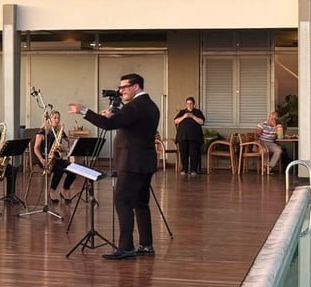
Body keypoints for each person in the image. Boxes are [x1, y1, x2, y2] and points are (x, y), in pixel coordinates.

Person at [69, 73, 160, 260]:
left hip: (131, 162)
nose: (121, 91)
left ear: (136, 87)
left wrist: (84, 111)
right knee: (141, 204)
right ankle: (146, 244)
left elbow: (109, 125)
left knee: (123, 203)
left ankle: (126, 247)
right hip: (145, 162)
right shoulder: (150, 105)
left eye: (124, 87)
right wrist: (115, 114)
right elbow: (129, 123)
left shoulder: (135, 106)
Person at [33, 110, 74, 205]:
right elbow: (36, 148)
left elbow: (67, 145)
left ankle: (64, 190)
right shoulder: (42, 131)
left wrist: (64, 148)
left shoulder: (59, 132)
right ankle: (52, 191)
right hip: (44, 159)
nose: (57, 120)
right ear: (49, 119)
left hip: (56, 158)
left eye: (58, 118)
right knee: (60, 168)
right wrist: (41, 159)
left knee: (72, 168)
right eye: (54, 118)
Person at [174, 97, 205, 175]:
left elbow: (201, 122)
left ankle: (193, 170)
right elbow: (176, 121)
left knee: (193, 153)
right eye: (187, 103)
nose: (189, 105)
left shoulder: (197, 112)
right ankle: (184, 169)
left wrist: (193, 116)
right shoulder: (182, 112)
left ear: (194, 104)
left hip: (194, 137)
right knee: (183, 153)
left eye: (191, 103)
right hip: (183, 136)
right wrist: (184, 116)